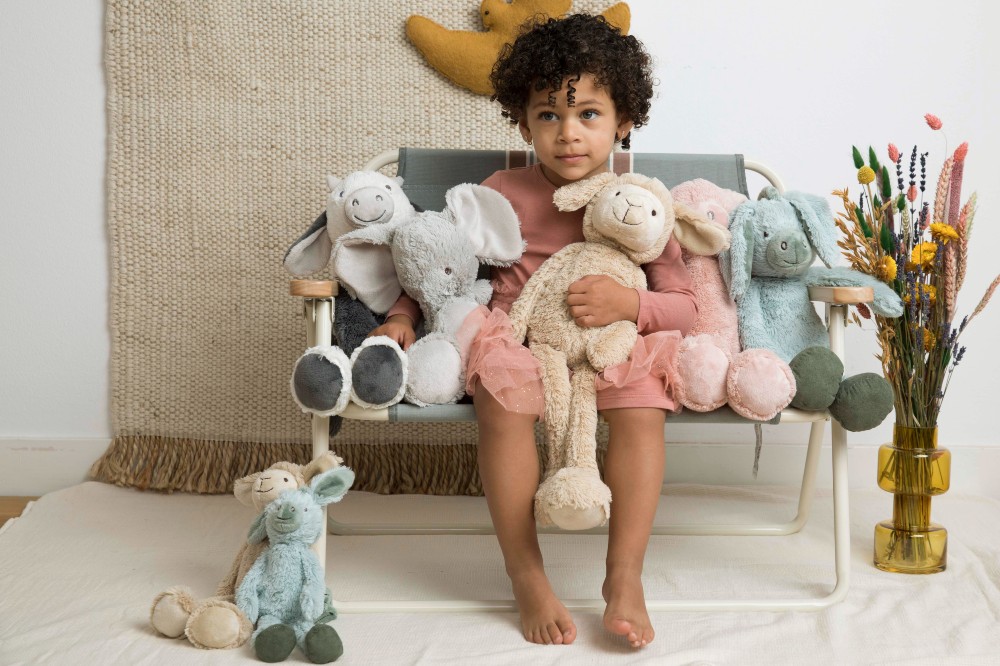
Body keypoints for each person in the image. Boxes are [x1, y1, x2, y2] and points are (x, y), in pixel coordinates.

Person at [372, 14, 697, 649]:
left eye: (589, 115)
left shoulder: (638, 200)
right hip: (520, 342)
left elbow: (684, 306)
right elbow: (442, 260)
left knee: (642, 410)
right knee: (502, 398)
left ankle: (624, 575)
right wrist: (403, 314)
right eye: (548, 115)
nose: (568, 134)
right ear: (523, 124)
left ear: (624, 120)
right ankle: (525, 572)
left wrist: (630, 303)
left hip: (611, 347)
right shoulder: (501, 190)